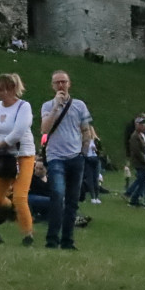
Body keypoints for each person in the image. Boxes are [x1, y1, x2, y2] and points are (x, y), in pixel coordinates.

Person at [41, 70, 93, 250]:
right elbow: (44, 130)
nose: (61, 85)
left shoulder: (79, 105)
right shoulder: (47, 106)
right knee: (57, 195)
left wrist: (83, 153)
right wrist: (56, 106)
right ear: (52, 86)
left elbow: (86, 130)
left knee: (72, 201)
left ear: (69, 84)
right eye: (57, 83)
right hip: (56, 157)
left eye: (64, 82)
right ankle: (51, 239)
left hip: (75, 157)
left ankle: (67, 241)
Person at [0, 73, 35, 245]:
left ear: (12, 89)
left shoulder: (23, 107)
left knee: (20, 196)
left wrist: (0, 146)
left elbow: (18, 131)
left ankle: (27, 234)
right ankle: (7, 208)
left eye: (1, 89)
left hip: (23, 155)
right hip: (5, 158)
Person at [126, 117, 145, 209]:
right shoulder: (134, 136)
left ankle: (135, 200)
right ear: (136, 124)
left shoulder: (142, 135)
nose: (143, 125)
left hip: (143, 162)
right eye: (140, 124)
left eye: (143, 124)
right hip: (140, 163)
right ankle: (135, 200)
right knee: (144, 182)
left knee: (142, 182)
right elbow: (137, 151)